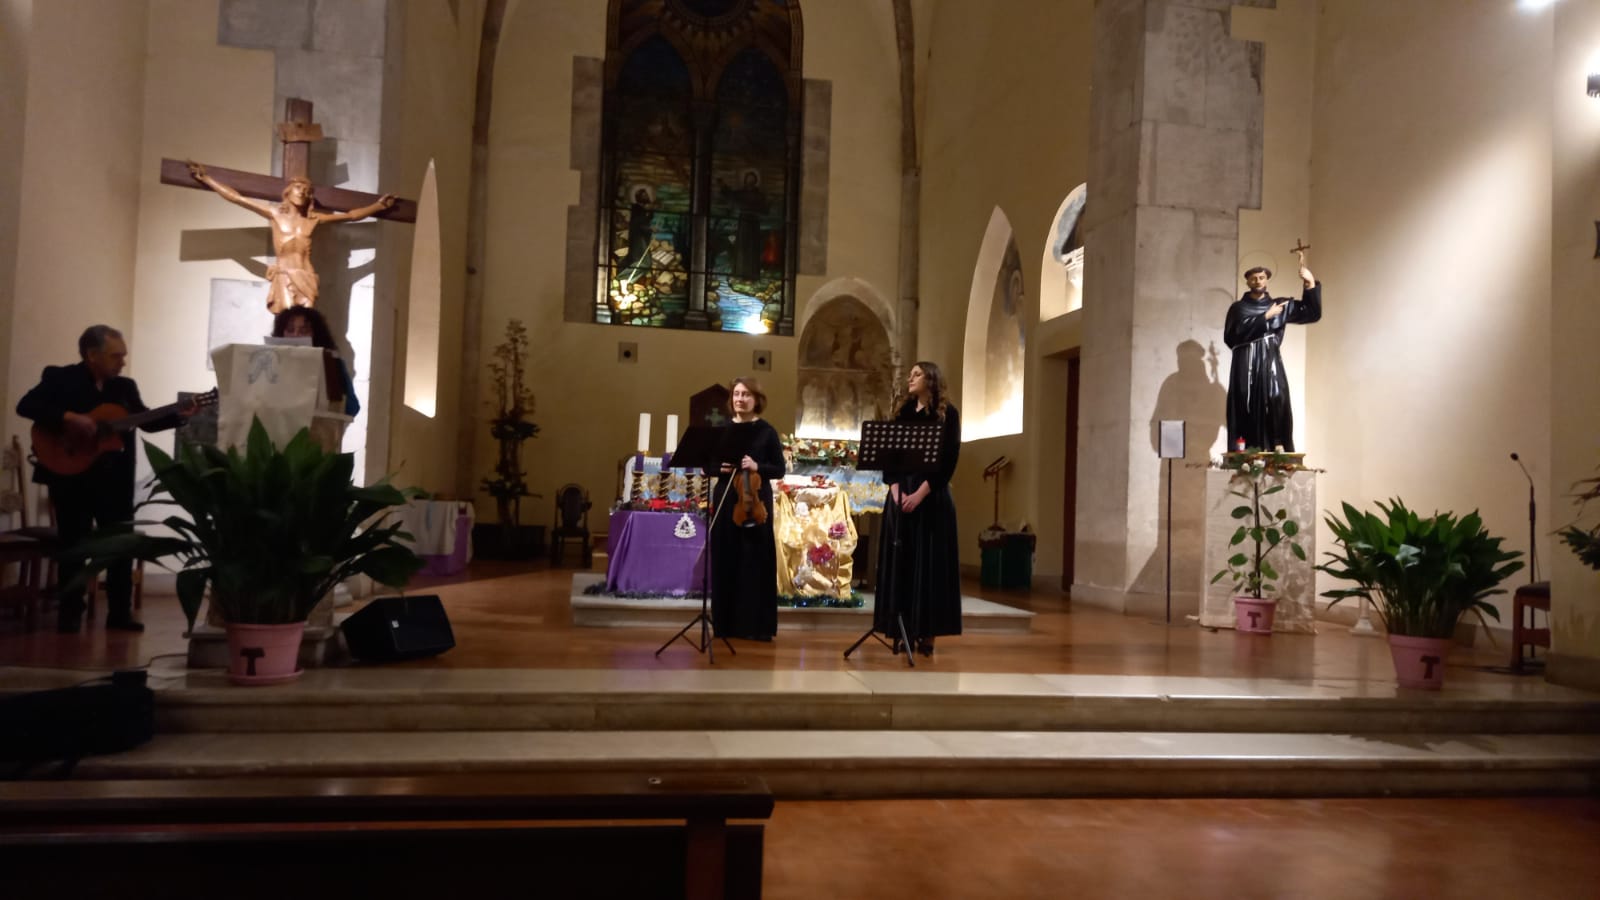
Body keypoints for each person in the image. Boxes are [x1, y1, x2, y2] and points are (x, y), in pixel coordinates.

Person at [16, 326, 195, 633]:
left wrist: (180, 415)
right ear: (92, 355)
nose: (122, 362)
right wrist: (69, 418)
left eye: (123, 356)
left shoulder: (124, 388)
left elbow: (145, 421)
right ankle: (70, 612)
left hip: (114, 480)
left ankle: (119, 614)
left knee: (120, 546)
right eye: (116, 356)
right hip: (71, 475)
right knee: (74, 544)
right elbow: (27, 406)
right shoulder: (60, 379)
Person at [186, 161, 396, 314]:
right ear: (288, 191)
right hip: (284, 275)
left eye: (306, 190)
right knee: (287, 321)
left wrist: (378, 206)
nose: (302, 192)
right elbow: (238, 198)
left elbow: (350, 216)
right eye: (298, 187)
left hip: (307, 275)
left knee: (306, 325)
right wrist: (207, 179)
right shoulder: (275, 214)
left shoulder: (313, 220)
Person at [874, 361, 963, 657]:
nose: (910, 378)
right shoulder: (901, 414)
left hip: (931, 497)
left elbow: (948, 460)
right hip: (900, 495)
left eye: (917, 374)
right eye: (910, 374)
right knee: (903, 562)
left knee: (930, 566)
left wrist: (921, 494)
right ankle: (900, 629)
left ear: (932, 379)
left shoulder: (948, 414)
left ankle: (928, 633)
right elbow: (888, 458)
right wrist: (897, 491)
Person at [708, 377, 786, 641]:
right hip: (726, 498)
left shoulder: (767, 432)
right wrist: (719, 468)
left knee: (754, 559)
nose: (740, 399)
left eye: (746, 395)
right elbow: (708, 465)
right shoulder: (720, 429)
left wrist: (757, 466)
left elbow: (779, 469)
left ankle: (755, 625)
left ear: (757, 399)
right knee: (725, 557)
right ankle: (725, 624)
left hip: (754, 501)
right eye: (736, 394)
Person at [1223, 260, 1322, 452]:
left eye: (1261, 277)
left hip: (1270, 360)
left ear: (1267, 280)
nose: (1258, 281)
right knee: (1246, 402)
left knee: (1277, 397)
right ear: (1248, 282)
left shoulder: (1280, 305)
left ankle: (1278, 447)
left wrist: (1309, 284)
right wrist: (1264, 318)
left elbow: (1311, 313)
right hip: (1246, 362)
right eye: (1253, 278)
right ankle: (1247, 452)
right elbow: (1231, 336)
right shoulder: (1238, 308)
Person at [272, 306, 360, 417]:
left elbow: (352, 407)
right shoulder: (271, 361)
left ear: (316, 335)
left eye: (303, 331)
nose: (295, 335)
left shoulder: (332, 363)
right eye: (290, 330)